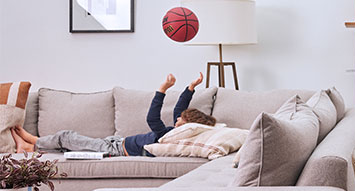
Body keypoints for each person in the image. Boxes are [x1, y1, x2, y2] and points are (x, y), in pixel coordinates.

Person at [12, 73, 216, 155]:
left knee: (67, 137)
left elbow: (152, 118)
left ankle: (33, 141)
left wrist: (162, 89)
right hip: (114, 143)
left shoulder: (167, 136)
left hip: (112, 150)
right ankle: (29, 148)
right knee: (70, 148)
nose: (177, 118)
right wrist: (190, 88)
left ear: (185, 125)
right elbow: (180, 110)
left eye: (180, 119)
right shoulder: (174, 133)